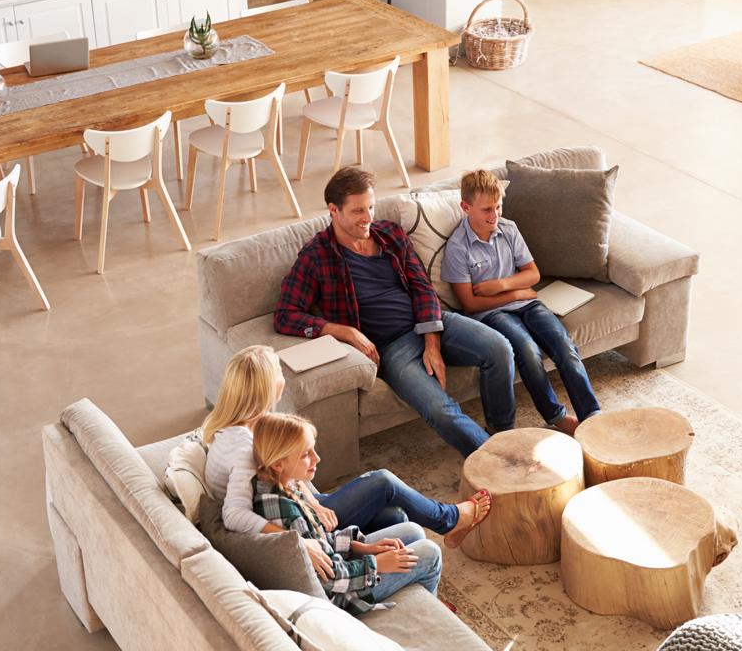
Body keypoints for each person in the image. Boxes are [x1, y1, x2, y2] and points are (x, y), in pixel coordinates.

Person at [274, 166, 519, 453]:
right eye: (357, 211)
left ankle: (503, 433)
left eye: (371, 207)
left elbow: (422, 287)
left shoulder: (390, 234)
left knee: (500, 349)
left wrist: (432, 340)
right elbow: (285, 315)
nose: (368, 218)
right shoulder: (316, 256)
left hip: (432, 323)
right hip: (392, 349)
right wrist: (344, 331)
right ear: (333, 210)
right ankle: (495, 458)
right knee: (439, 408)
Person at [202, 345, 492, 547]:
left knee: (396, 517)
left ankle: (410, 558)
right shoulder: (243, 446)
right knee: (383, 482)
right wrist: (299, 540)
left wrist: (313, 501)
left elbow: (283, 478)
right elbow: (234, 514)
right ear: (265, 387)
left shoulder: (249, 424)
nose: (283, 378)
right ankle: (450, 520)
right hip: (295, 522)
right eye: (278, 372)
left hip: (301, 505)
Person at [440, 169, 601, 435]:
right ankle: (556, 416)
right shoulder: (458, 247)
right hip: (491, 314)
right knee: (527, 351)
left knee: (564, 346)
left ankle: (592, 416)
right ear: (465, 207)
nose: (494, 216)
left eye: (498, 207)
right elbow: (469, 303)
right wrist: (516, 292)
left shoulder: (509, 229)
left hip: (528, 305)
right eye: (486, 210)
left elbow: (533, 274)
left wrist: (500, 286)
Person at [252, 413, 444, 614]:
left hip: (341, 565)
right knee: (430, 553)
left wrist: (362, 547)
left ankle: (415, 594)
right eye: (305, 454)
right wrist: (376, 564)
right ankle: (430, 613)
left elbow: (320, 541)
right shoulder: (286, 513)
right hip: (341, 597)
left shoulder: (281, 483)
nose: (317, 458)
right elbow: (328, 580)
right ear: (277, 463)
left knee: (413, 531)